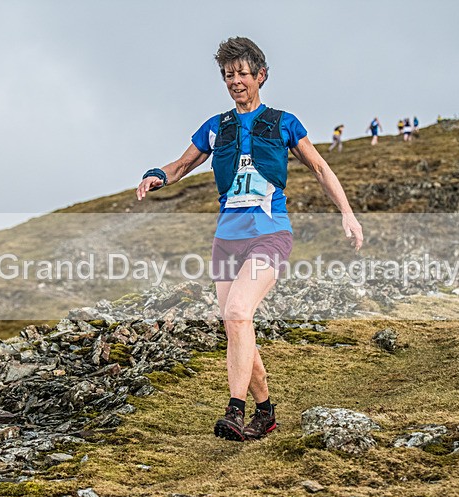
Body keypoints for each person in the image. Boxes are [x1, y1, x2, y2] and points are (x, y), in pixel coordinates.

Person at [135, 36, 363, 442]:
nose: (235, 81)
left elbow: (320, 168)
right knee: (236, 324)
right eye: (227, 75)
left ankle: (235, 411)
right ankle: (266, 412)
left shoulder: (283, 123)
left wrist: (347, 213)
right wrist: (157, 174)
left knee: (239, 313)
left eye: (242, 73)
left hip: (269, 234)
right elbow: (183, 163)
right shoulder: (216, 126)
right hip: (226, 241)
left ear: (260, 75)